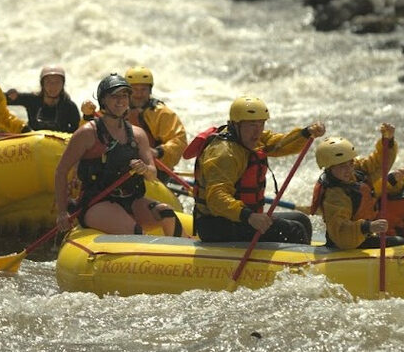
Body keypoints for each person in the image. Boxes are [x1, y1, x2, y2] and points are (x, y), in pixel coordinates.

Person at [54, 74, 187, 237]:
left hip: (132, 200)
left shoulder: (138, 135)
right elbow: (61, 171)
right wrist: (62, 212)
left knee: (167, 214)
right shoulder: (88, 133)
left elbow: (152, 174)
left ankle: (177, 258)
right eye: (114, 96)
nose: (120, 101)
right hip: (97, 203)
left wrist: (144, 168)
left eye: (124, 96)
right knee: (136, 232)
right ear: (103, 100)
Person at [193, 95, 325, 243]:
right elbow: (216, 198)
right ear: (236, 124)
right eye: (251, 125)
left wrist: (306, 133)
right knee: (294, 230)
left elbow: (280, 144)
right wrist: (249, 216)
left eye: (261, 124)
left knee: (301, 220)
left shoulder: (252, 139)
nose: (257, 131)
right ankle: (298, 265)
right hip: (216, 224)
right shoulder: (224, 154)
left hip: (241, 218)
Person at [311, 125, 404, 250]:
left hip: (365, 234)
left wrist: (388, 140)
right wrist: (368, 227)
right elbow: (341, 232)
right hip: (347, 243)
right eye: (342, 166)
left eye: (350, 164)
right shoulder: (334, 195)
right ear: (328, 168)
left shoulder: (356, 171)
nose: (348, 170)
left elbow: (377, 164)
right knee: (399, 242)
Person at [124, 66, 187, 182]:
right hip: (121, 167)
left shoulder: (162, 113)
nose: (139, 94)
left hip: (154, 170)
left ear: (150, 90)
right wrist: (87, 115)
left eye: (143, 89)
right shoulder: (116, 108)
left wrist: (158, 152)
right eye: (134, 89)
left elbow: (179, 140)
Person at [6, 65, 80, 133]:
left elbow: (78, 130)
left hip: (58, 144)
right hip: (33, 141)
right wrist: (10, 96)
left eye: (57, 82)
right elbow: (1, 100)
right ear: (42, 84)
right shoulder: (32, 100)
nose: (53, 86)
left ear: (63, 84)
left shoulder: (69, 106)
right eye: (48, 82)